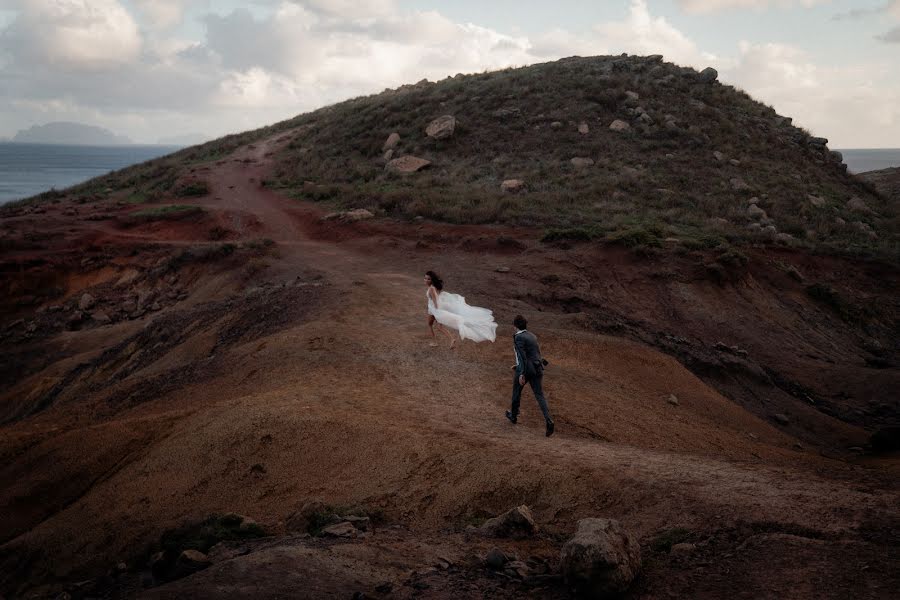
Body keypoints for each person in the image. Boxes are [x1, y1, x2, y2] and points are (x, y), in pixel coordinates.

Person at [506, 314, 554, 437]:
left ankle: (513, 416)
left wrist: (521, 372)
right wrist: (517, 366)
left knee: (516, 392)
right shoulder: (532, 335)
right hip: (538, 368)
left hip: (527, 369)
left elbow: (522, 356)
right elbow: (534, 354)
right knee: (540, 396)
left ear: (515, 326)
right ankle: (549, 420)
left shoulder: (518, 337)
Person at [424, 271, 497, 348]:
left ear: (432, 280)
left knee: (431, 325)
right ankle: (450, 339)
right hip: (434, 309)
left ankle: (436, 342)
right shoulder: (434, 287)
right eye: (425, 278)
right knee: (438, 326)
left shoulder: (432, 289)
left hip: (435, 310)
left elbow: (436, 302)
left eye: (428, 279)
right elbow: (437, 298)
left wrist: (438, 313)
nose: (426, 280)